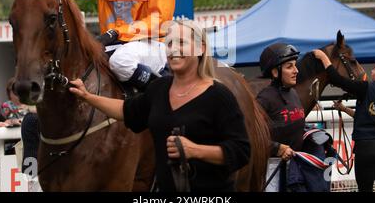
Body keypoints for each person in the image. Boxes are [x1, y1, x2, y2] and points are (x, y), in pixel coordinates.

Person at [69, 20, 250, 192]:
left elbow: (241, 151)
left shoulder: (219, 96)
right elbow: (126, 111)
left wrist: (195, 150)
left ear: (200, 48)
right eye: (169, 44)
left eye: (181, 42)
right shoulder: (159, 89)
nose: (173, 49)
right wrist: (87, 96)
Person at [313, 50, 375, 192]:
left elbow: (338, 80)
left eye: (374, 69)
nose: (371, 71)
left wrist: (323, 57)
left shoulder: (366, 87)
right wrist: (344, 109)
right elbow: (368, 116)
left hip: (366, 147)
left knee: (365, 189)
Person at [257, 43, 332, 192]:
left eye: (295, 65)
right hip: (273, 172)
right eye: (289, 66)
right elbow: (250, 137)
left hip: (296, 170)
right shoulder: (264, 99)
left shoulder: (293, 93)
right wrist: (277, 148)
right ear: (275, 72)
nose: (296, 70)